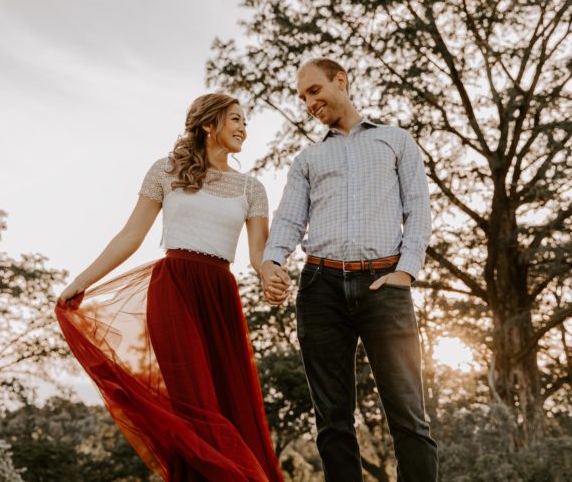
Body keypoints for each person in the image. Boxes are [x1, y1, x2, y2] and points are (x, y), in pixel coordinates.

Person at [56, 93, 285, 482]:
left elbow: (258, 253)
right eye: (235, 119)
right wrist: (81, 281)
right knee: (193, 403)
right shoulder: (165, 171)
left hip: (219, 297)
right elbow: (130, 234)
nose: (243, 127)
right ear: (208, 124)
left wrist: (271, 274)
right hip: (173, 289)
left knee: (229, 401)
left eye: (245, 120)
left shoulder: (251, 188)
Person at [260, 58, 439, 481]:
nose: (309, 102)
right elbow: (288, 218)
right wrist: (271, 261)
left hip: (384, 286)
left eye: (315, 91)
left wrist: (405, 273)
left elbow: (419, 211)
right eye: (303, 97)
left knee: (408, 414)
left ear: (341, 80)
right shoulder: (307, 159)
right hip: (320, 288)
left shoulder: (395, 141)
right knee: (333, 421)